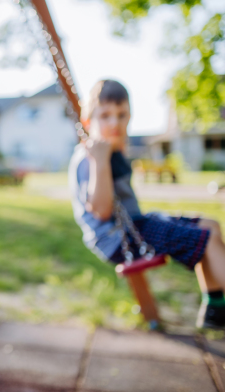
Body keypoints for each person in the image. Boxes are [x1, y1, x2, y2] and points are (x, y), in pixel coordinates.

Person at [69, 79, 225, 329]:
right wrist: (99, 161)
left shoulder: (112, 150)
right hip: (117, 238)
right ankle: (216, 308)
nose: (114, 123)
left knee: (212, 225)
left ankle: (215, 309)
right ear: (88, 121)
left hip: (135, 225)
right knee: (206, 238)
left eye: (122, 115)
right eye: (105, 116)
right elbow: (101, 210)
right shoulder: (90, 155)